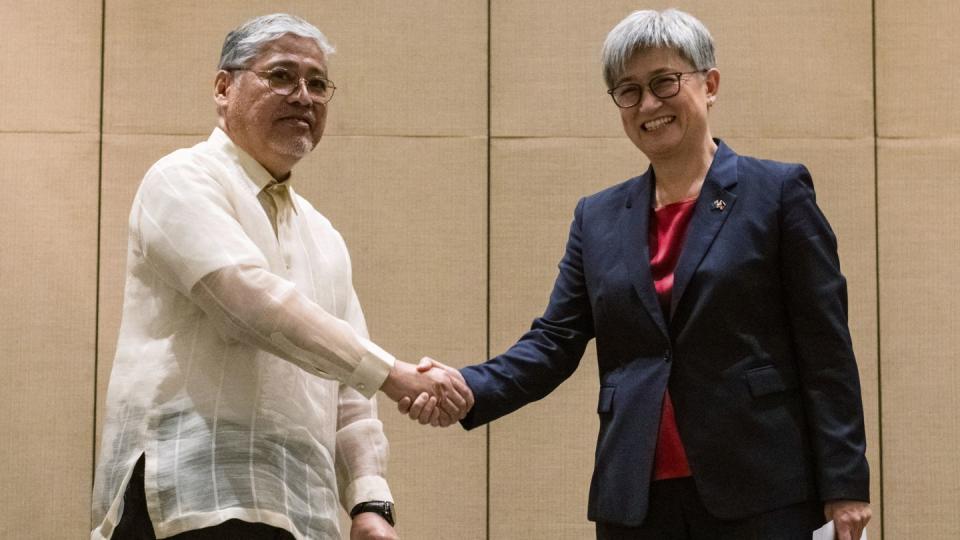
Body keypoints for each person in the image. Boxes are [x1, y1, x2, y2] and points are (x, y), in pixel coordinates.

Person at [401, 8, 870, 540]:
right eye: (628, 90)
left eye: (664, 81)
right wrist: (468, 385)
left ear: (709, 84)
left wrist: (846, 481)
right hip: (636, 497)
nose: (648, 104)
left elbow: (825, 345)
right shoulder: (597, 216)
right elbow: (554, 340)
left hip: (762, 488)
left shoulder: (777, 193)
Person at [91, 13, 471, 540]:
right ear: (224, 88)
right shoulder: (180, 179)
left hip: (301, 511)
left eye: (318, 84)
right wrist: (394, 373)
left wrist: (370, 502)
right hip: (191, 496)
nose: (304, 96)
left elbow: (348, 388)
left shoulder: (323, 233)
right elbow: (247, 304)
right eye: (281, 76)